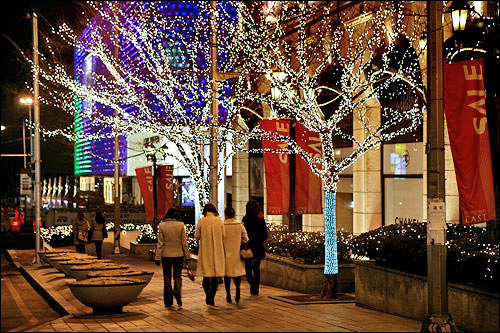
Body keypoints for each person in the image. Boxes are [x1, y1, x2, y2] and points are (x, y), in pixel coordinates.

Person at [155, 208, 191, 307]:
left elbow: (160, 243)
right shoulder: (181, 225)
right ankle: (177, 292)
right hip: (179, 254)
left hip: (166, 255)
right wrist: (187, 256)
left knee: (167, 277)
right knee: (177, 276)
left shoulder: (162, 225)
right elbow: (184, 243)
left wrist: (157, 257)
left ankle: (168, 301)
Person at [194, 203, 225, 306]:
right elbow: (223, 235)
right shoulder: (219, 221)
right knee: (215, 275)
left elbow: (197, 236)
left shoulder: (201, 221)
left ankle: (207, 295)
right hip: (217, 251)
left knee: (206, 275)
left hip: (205, 251)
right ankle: (212, 296)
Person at [242, 200, 268, 296]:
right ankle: (255, 290)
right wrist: (260, 240)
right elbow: (265, 233)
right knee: (256, 269)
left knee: (248, 269)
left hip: (248, 246)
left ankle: (253, 286)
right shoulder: (260, 218)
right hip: (258, 247)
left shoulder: (245, 219)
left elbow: (243, 234)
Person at [223, 206, 248, 303]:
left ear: (225, 215)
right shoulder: (240, 225)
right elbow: (246, 239)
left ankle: (228, 294)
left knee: (227, 275)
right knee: (237, 274)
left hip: (226, 254)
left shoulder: (223, 226)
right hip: (237, 253)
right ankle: (237, 291)